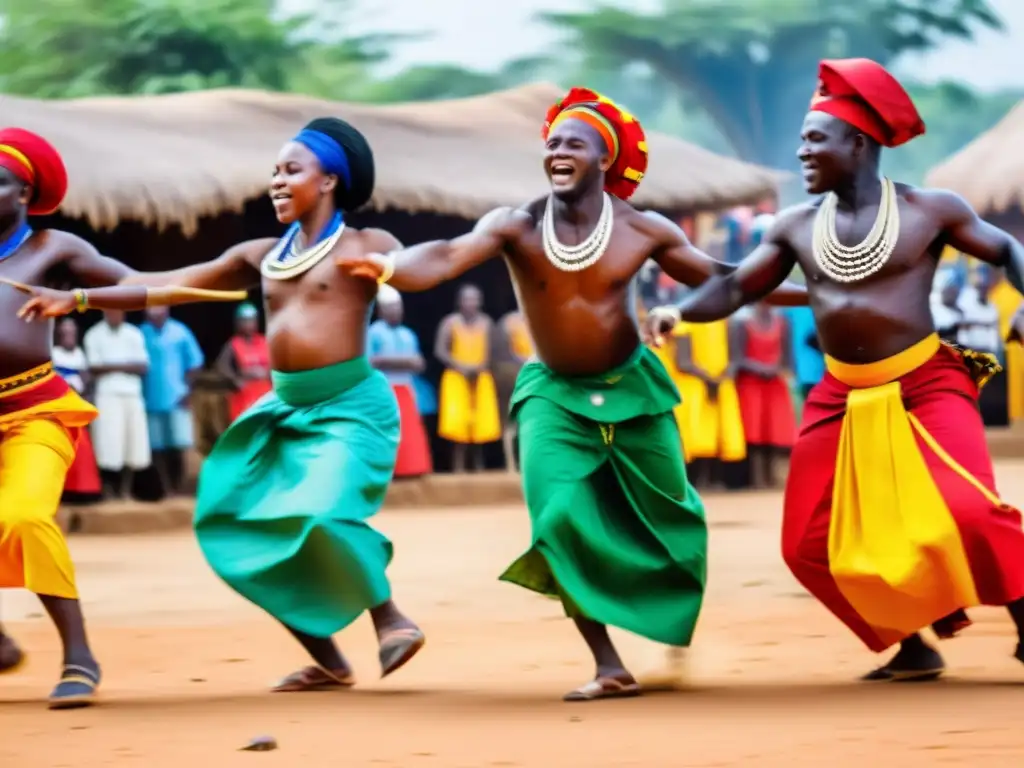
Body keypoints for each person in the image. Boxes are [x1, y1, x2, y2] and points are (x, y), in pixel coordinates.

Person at [337, 86, 805, 700]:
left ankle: (664, 619)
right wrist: (391, 270)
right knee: (558, 520)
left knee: (674, 517)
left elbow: (727, 282)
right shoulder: (517, 224)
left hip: (634, 390)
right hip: (553, 396)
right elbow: (448, 255)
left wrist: (817, 290)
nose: (558, 151)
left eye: (573, 143)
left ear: (603, 159)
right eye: (552, 142)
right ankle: (608, 663)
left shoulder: (644, 229)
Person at [13, 117, 426, 692]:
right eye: (274, 172)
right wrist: (79, 297)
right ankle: (328, 659)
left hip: (350, 405)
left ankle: (389, 618)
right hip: (282, 412)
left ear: (329, 180)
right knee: (237, 527)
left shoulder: (367, 245)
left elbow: (418, 266)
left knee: (319, 513)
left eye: (292, 171)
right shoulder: (259, 254)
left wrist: (391, 270)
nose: (277, 182)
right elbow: (166, 285)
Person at [645, 58, 1024, 681]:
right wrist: (677, 313)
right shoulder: (796, 227)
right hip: (839, 397)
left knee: (971, 511)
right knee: (807, 544)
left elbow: (1007, 247)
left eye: (815, 139)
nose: (803, 152)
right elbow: (739, 287)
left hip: (925, 386)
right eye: (800, 140)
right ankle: (910, 644)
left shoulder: (930, 210)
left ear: (858, 142)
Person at [0, 127, 151, 708]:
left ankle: (79, 654)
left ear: (23, 193)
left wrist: (80, 299)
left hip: (34, 410)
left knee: (21, 516)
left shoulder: (54, 249)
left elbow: (133, 285)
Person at [82, 309, 151, 499]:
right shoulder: (94, 334)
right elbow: (93, 367)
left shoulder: (134, 333)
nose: (115, 315)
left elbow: (143, 366)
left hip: (132, 394)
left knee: (133, 444)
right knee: (107, 444)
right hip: (107, 395)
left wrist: (110, 366)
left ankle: (126, 491)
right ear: (105, 313)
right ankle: (108, 489)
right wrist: (126, 366)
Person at [367, 284, 432, 478]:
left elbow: (419, 363)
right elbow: (370, 361)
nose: (396, 311)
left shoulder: (408, 333)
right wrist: (405, 361)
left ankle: (412, 471)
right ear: (381, 310)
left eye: (398, 306)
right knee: (388, 432)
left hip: (407, 386)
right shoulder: (373, 332)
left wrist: (405, 362)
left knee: (410, 433)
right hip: (385, 388)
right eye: (391, 307)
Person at [435, 284, 501, 472]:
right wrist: (459, 366)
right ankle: (458, 468)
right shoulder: (450, 322)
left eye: (475, 299)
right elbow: (440, 350)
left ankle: (479, 468)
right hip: (456, 376)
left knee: (481, 424)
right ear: (459, 302)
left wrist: (481, 366)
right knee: (457, 423)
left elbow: (494, 351)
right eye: (467, 299)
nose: (471, 303)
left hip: (481, 376)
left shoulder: (487, 323)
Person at [140, 306, 204, 495]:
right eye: (152, 311)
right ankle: (164, 488)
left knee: (178, 445)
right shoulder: (141, 332)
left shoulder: (180, 331)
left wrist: (187, 391)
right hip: (150, 398)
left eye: (159, 310)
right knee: (156, 447)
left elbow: (196, 363)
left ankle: (179, 487)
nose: (155, 314)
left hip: (177, 397)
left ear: (167, 311)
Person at [732, 302, 797, 487]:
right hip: (750, 383)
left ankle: (774, 477)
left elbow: (788, 357)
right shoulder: (742, 323)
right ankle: (756, 478)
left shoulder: (783, 322)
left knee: (776, 430)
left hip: (775, 383)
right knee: (753, 430)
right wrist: (760, 368)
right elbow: (737, 358)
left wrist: (781, 371)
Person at [52, 318, 101, 499]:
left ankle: (84, 491)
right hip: (59, 409)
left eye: (71, 331)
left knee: (82, 448)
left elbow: (87, 382)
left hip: (77, 409)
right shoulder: (53, 354)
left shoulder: (80, 354)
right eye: (65, 331)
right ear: (59, 334)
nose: (68, 335)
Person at [957, 266, 1008, 426]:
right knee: (969, 386)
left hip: (987, 351)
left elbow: (993, 331)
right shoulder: (966, 302)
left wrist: (994, 350)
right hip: (971, 350)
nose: (983, 290)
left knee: (988, 388)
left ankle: (987, 418)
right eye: (981, 288)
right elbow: (963, 327)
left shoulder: (992, 307)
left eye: (985, 288)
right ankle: (967, 418)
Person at [216, 302, 272, 422]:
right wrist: (235, 379)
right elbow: (221, 366)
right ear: (238, 323)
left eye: (251, 320)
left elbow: (276, 363)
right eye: (244, 321)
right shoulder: (233, 344)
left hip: (265, 392)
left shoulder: (264, 341)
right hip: (244, 394)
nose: (248, 324)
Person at [493, 306, 534, 472]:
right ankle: (511, 464)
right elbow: (504, 353)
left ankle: (524, 464)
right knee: (512, 422)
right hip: (515, 377)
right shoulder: (508, 322)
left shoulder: (542, 317)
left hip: (534, 376)